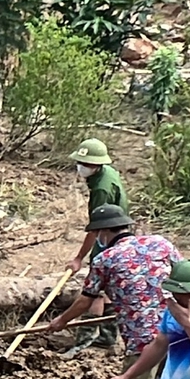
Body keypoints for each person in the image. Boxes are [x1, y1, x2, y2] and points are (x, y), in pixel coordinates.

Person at [43, 206, 179, 379]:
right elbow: (185, 277)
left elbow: (86, 300)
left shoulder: (105, 259)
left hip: (143, 340)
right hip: (182, 329)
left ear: (103, 232)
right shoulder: (160, 243)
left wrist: (61, 321)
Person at [63, 138, 127, 350]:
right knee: (106, 287)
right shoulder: (107, 172)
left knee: (96, 288)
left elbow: (96, 228)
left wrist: (79, 258)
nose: (81, 167)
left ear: (96, 164)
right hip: (116, 229)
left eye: (86, 164)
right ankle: (107, 335)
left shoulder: (102, 189)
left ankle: (86, 337)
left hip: (108, 235)